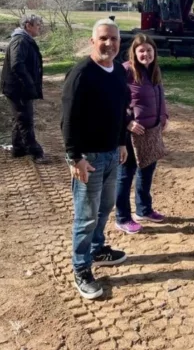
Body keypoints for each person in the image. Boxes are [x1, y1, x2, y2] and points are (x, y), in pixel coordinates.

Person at [62, 18, 131, 300]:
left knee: (105, 208)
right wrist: (74, 157)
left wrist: (122, 143)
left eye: (114, 39)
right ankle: (81, 268)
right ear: (93, 41)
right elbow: (67, 120)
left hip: (113, 153)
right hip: (88, 157)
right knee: (86, 217)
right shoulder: (81, 74)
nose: (109, 44)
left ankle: (97, 249)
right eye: (103, 38)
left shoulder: (117, 73)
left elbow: (120, 112)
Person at [114, 34, 169, 234]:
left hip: (152, 130)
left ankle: (144, 209)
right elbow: (115, 102)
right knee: (125, 175)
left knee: (147, 171)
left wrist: (164, 116)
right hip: (131, 134)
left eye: (149, 50)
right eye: (141, 51)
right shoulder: (126, 70)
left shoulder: (154, 70)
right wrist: (127, 123)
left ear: (154, 52)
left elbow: (160, 95)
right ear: (134, 53)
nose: (146, 54)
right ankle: (122, 217)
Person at [0, 14, 46, 163]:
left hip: (19, 88)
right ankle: (35, 152)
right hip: (18, 89)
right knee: (25, 120)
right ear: (28, 25)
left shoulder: (24, 39)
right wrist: (29, 84)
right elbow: (17, 64)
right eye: (37, 24)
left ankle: (18, 149)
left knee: (19, 118)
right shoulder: (20, 41)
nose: (39, 27)